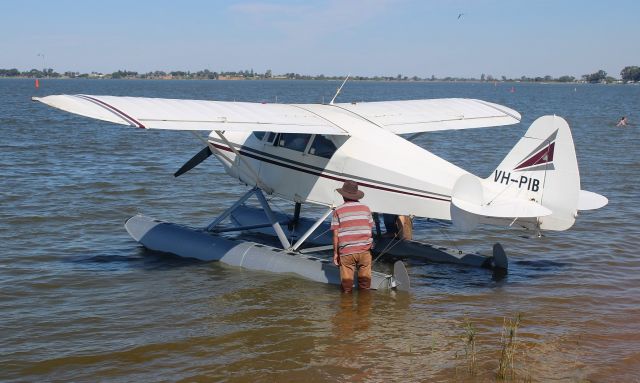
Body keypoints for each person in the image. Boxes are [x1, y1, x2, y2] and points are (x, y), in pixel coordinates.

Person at [331, 180, 374, 293]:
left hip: (347, 252)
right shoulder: (366, 208)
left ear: (343, 196)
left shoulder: (338, 210)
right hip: (365, 251)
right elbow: (370, 229)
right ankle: (364, 308)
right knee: (365, 286)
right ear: (356, 195)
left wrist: (336, 253)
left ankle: (346, 308)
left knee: (347, 287)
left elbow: (336, 235)